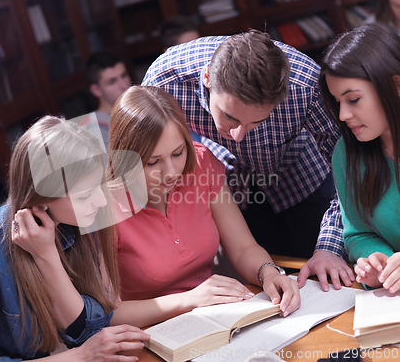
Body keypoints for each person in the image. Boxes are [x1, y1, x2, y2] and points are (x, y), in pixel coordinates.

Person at [141, 29, 355, 291]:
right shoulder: (164, 82)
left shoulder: (306, 86)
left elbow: (352, 175)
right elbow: (153, 160)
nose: (237, 136)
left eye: (257, 121)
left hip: (303, 176)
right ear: (207, 78)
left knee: (330, 279)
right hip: (235, 189)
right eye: (229, 117)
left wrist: (328, 248)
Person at [0, 115, 149, 361]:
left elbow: (95, 325)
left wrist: (47, 256)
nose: (101, 202)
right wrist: (81, 356)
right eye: (84, 196)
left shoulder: (76, 221)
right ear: (40, 196)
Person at [108, 85, 300, 317]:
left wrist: (268, 272)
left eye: (178, 153)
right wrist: (190, 300)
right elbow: (106, 313)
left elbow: (243, 247)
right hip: (150, 334)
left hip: (213, 316)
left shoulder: (201, 163)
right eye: (153, 162)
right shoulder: (101, 205)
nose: (171, 172)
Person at [318, 22, 400, 293]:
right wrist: (376, 261)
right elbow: (358, 233)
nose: (342, 115)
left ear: (395, 86)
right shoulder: (346, 153)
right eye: (337, 101)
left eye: (353, 99)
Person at [83, 52, 131, 148]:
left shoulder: (139, 109)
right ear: (96, 90)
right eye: (112, 82)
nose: (124, 85)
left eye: (124, 75)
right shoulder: (94, 129)